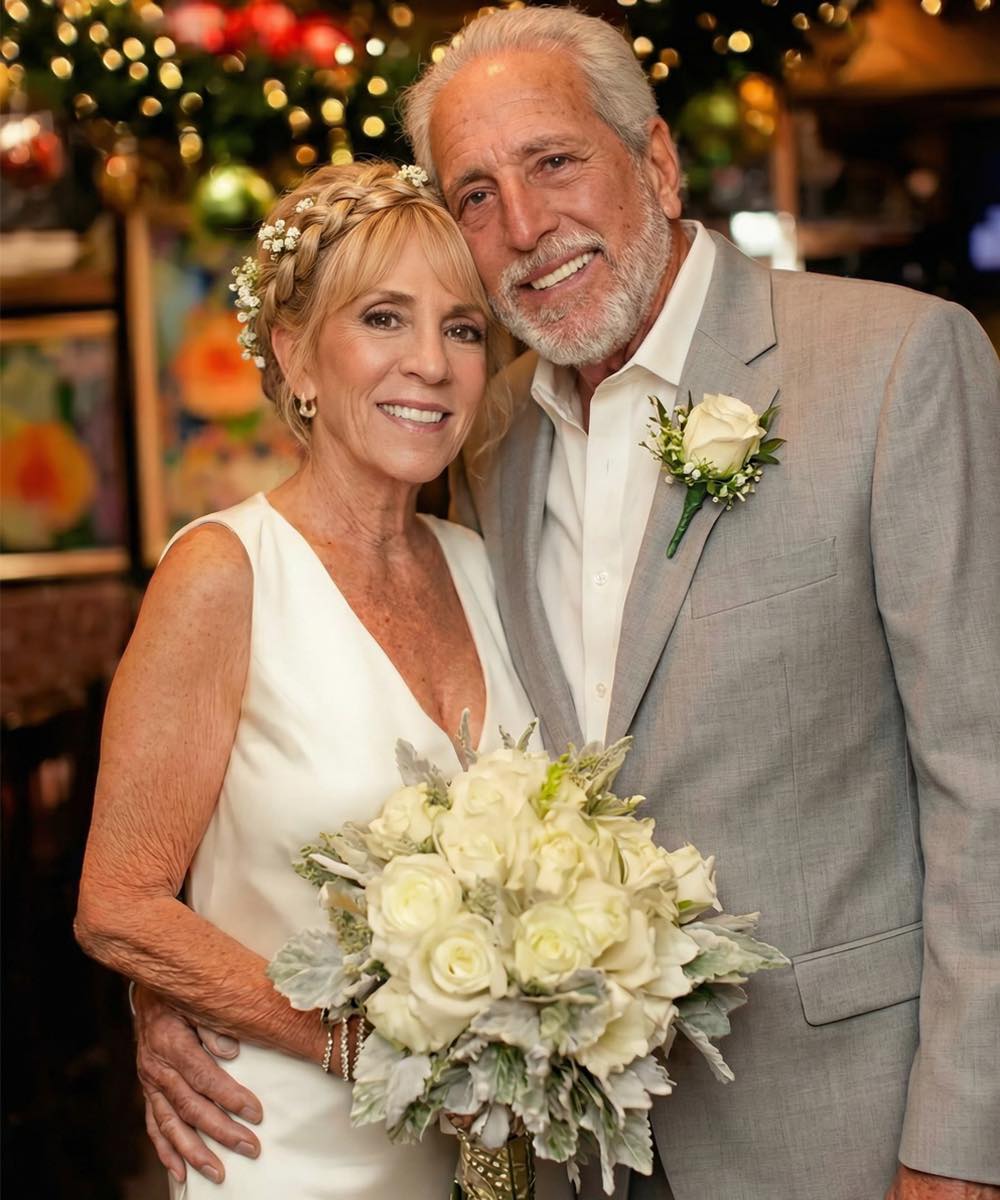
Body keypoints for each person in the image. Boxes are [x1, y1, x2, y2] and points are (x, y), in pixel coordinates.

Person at [127, 9, 1000, 1200]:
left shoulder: (894, 366)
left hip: (841, 1128)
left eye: (553, 162)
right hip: (574, 1152)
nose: (526, 227)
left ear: (655, 160)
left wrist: (960, 1142)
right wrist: (174, 986)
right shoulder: (489, 443)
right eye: (476, 195)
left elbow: (984, 781)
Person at [74, 160, 551, 1197]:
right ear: (295, 354)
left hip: (496, 1159)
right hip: (291, 1151)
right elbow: (118, 903)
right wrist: (381, 1052)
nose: (431, 363)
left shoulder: (480, 567)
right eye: (384, 319)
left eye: (463, 329)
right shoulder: (223, 571)